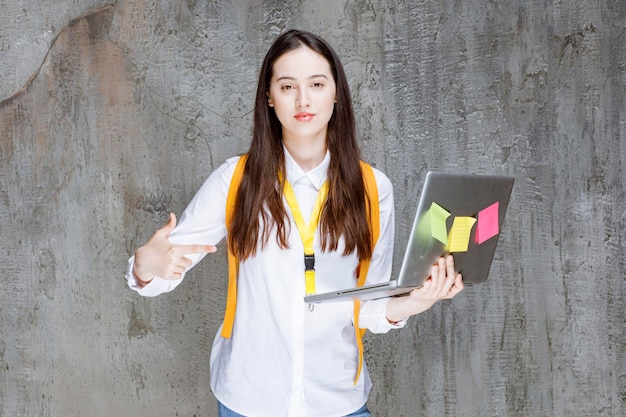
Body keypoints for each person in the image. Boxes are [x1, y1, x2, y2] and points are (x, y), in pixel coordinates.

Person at [126, 29, 464, 417]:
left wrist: (415, 301)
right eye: (287, 86)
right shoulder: (235, 180)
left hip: (338, 399)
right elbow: (161, 269)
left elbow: (368, 308)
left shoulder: (374, 188)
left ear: (336, 93)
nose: (303, 100)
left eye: (317, 84)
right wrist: (144, 266)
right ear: (269, 97)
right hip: (248, 400)